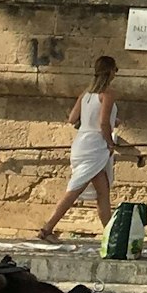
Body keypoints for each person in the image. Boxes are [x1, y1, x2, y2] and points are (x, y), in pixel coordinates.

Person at [38, 56, 118, 241]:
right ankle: (47, 228)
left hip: (81, 142)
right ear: (111, 71)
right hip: (95, 146)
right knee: (75, 188)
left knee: (102, 190)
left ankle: (109, 233)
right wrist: (109, 143)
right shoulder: (107, 94)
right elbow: (104, 122)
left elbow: (72, 119)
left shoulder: (85, 95)